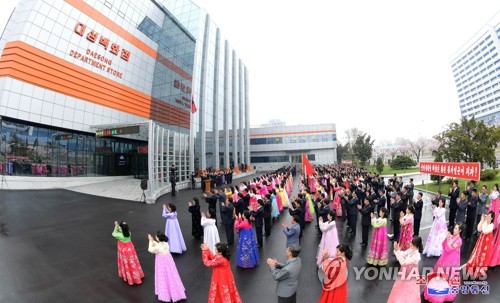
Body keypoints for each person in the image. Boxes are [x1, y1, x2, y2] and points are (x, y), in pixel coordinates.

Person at [423, 224, 463, 303]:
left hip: (452, 261)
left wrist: (448, 239)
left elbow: (449, 249)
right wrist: (447, 238)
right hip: (445, 258)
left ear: (460, 231)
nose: (454, 230)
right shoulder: (451, 237)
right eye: (454, 228)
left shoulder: (459, 241)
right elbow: (443, 245)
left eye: (456, 228)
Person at [148, 232, 186, 302]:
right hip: (169, 262)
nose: (156, 238)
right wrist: (153, 241)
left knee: (163, 275)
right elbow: (158, 244)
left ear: (158, 238)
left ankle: (165, 294)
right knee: (171, 275)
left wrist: (150, 241)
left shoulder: (158, 248)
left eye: (156, 237)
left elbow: (151, 249)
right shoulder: (166, 244)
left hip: (161, 263)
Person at [387, 237, 423, 303]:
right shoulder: (410, 250)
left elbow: (403, 262)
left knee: (408, 290)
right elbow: (403, 254)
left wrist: (397, 251)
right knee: (401, 287)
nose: (410, 244)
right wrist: (397, 250)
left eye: (411, 243)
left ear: (415, 245)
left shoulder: (416, 256)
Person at [112, 221, 144, 285]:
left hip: (123, 251)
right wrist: (119, 227)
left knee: (126, 262)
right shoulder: (129, 233)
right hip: (130, 250)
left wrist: (116, 226)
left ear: (121, 228)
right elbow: (122, 231)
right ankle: (137, 275)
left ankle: (128, 276)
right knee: (132, 262)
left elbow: (114, 233)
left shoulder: (119, 235)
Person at [465, 211, 495, 279]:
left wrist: (483, 222)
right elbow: (478, 229)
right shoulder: (485, 223)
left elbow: (485, 231)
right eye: (487, 215)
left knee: (482, 256)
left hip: (486, 243)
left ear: (492, 218)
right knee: (477, 253)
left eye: (489, 216)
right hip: (481, 241)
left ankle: (478, 271)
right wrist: (481, 221)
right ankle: (473, 267)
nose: (487, 217)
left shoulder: (491, 225)